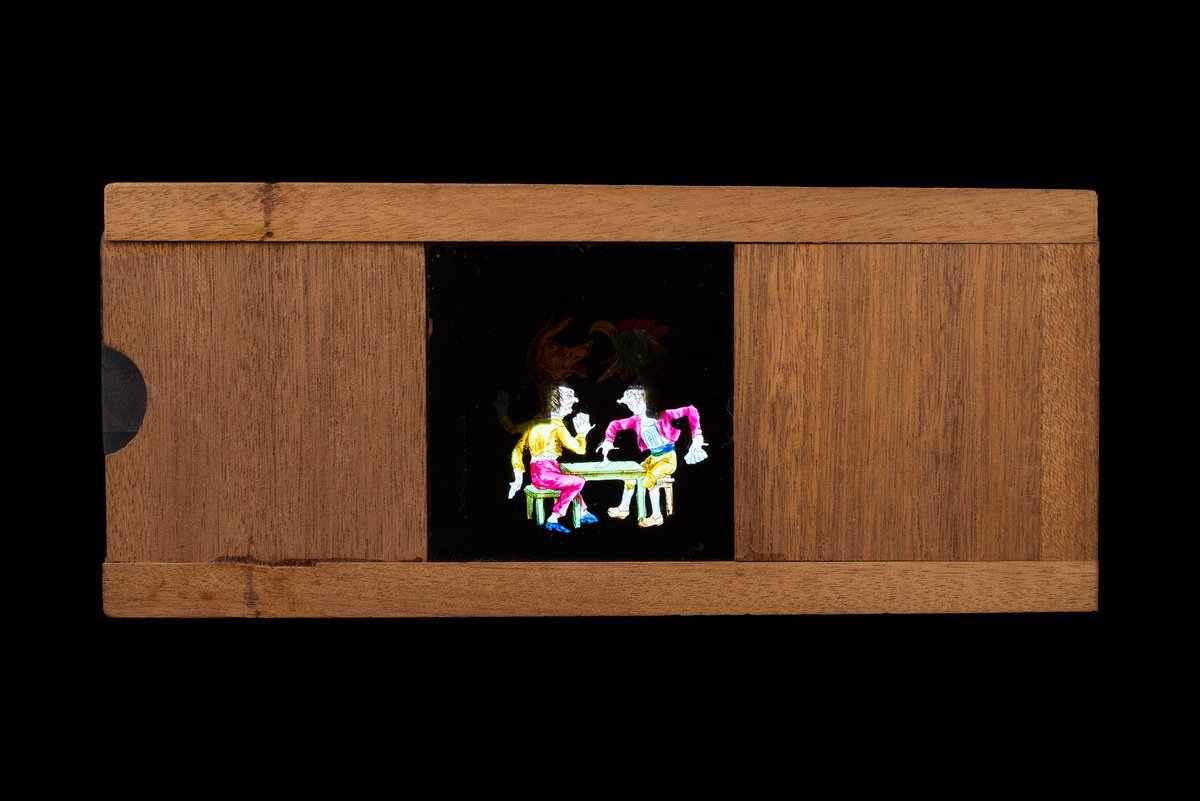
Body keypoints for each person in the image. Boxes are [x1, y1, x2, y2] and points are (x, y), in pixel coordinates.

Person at [596, 384, 707, 528]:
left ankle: (657, 516)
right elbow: (614, 425)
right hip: (652, 458)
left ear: (647, 400)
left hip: (667, 458)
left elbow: (691, 410)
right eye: (630, 404)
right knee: (630, 476)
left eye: (636, 401)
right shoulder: (636, 420)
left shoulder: (664, 416)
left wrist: (697, 435)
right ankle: (623, 508)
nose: (632, 406)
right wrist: (608, 441)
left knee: (648, 479)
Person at [505, 382, 599, 534]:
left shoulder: (534, 423)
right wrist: (582, 433)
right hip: (545, 474)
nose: (575, 400)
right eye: (569, 396)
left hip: (541, 473)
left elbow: (517, 449)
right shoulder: (557, 425)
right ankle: (554, 518)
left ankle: (583, 512)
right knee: (579, 481)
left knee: (573, 483)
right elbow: (579, 449)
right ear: (554, 400)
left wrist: (518, 473)